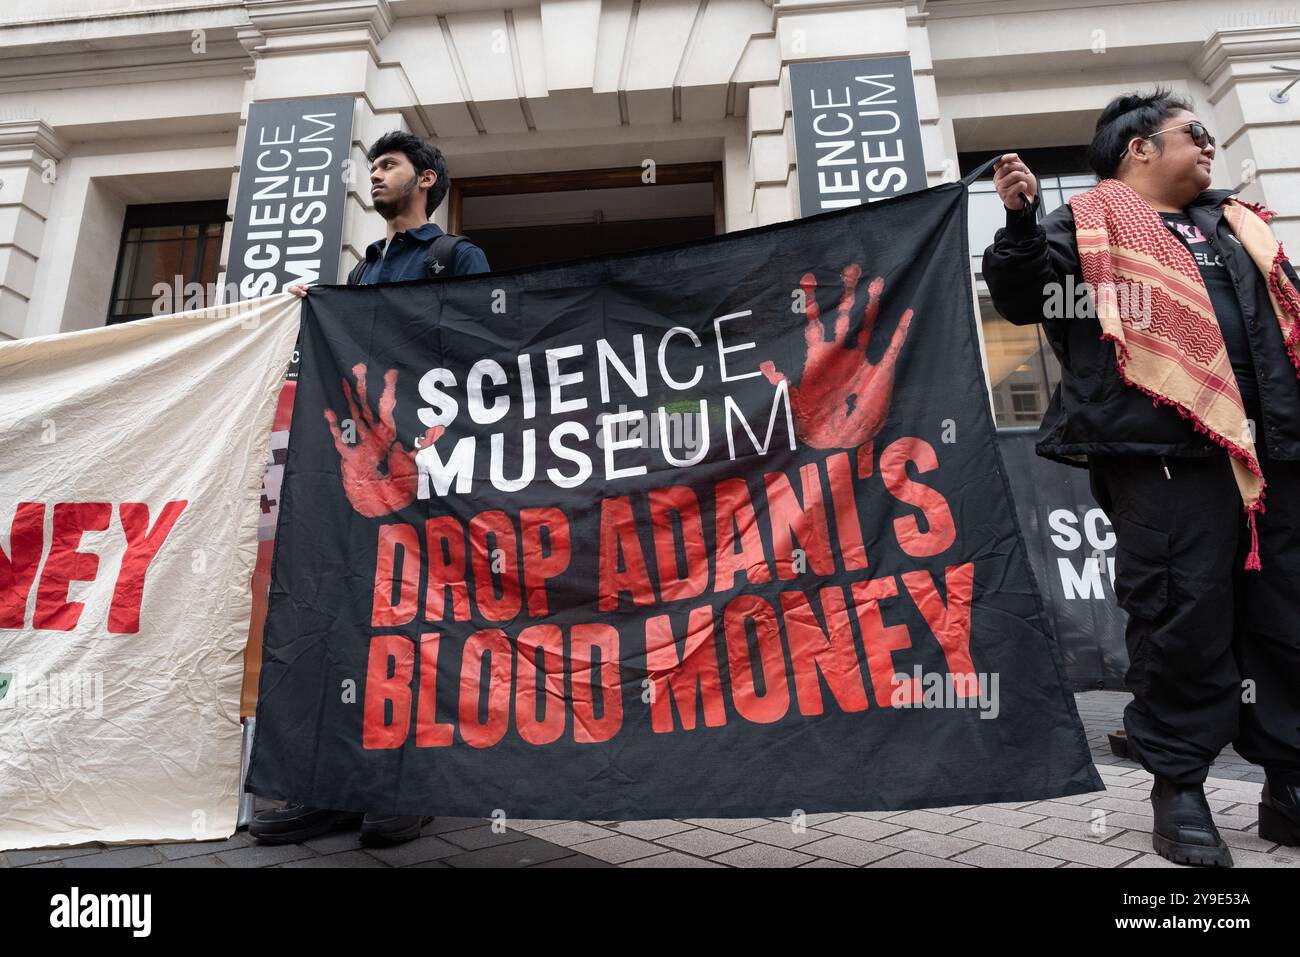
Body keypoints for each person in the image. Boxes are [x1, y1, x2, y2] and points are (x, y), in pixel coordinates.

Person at [982, 89, 1300, 868]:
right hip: (1165, 455)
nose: (1208, 144)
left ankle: (1289, 783)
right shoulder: (1085, 223)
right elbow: (1022, 295)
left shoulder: (1238, 227)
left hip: (1271, 459)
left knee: (1287, 618)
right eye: (1192, 133)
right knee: (1182, 616)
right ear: (1139, 150)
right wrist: (1020, 224)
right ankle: (1180, 788)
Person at [252, 131, 490, 847]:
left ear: (427, 177)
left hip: (424, 474)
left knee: (411, 627)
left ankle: (404, 786)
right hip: (355, 476)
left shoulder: (457, 257)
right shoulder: (363, 271)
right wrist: (317, 305)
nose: (374, 176)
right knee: (342, 620)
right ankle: (333, 788)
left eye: (387, 165)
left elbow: (475, 348)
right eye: (372, 166)